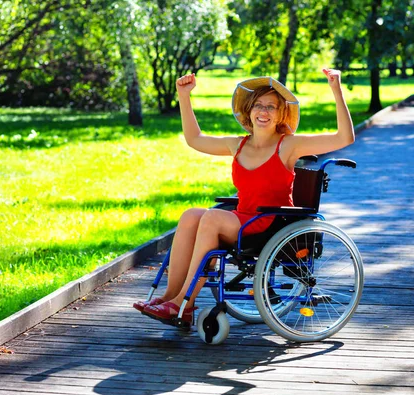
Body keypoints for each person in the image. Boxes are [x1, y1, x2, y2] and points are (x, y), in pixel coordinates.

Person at [133, 68, 354, 325]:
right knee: (191, 215)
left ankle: (185, 302)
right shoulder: (238, 144)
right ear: (249, 110)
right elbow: (195, 139)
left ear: (281, 113)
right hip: (243, 218)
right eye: (259, 105)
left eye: (271, 107)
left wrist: (336, 89)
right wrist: (184, 95)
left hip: (272, 222)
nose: (264, 111)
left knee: (212, 219)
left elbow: (344, 137)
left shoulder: (289, 145)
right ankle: (170, 297)